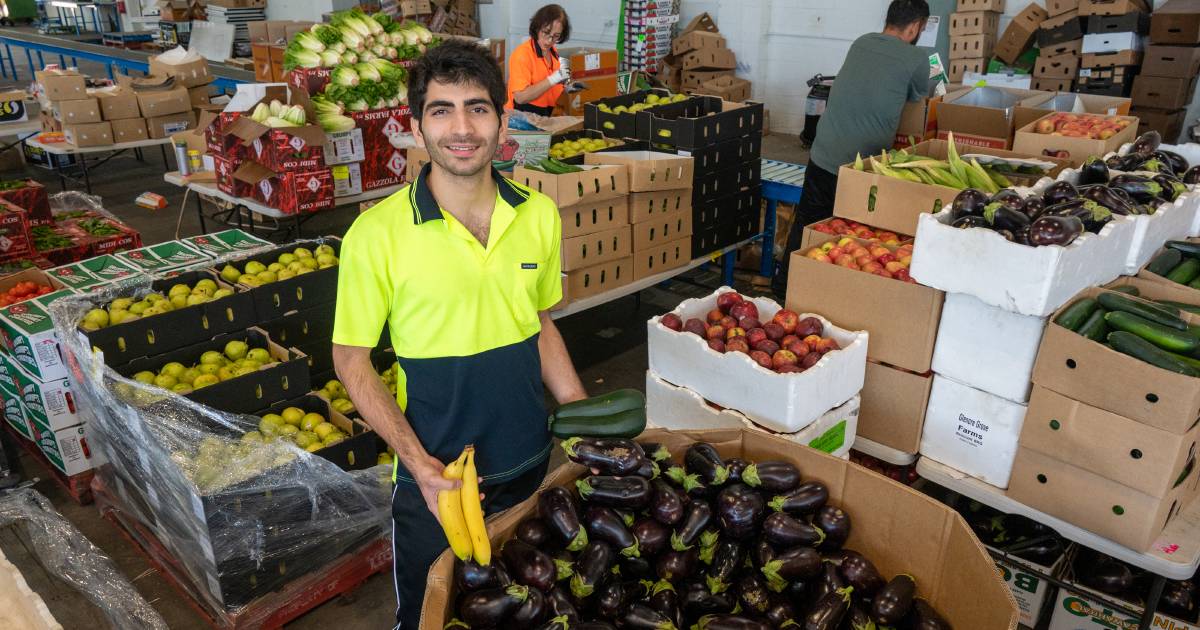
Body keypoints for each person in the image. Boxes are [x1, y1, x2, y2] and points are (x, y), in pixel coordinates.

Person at [330, 39, 588, 629]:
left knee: (524, 609)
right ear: (417, 128)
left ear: (503, 118)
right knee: (432, 617)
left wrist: (579, 415)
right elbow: (351, 360)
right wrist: (418, 464)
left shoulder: (538, 215)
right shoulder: (376, 235)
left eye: (478, 107)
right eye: (441, 110)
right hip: (437, 480)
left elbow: (540, 321)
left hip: (530, 463)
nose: (462, 128)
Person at [773, 0, 931, 297]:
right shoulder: (916, 58)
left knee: (807, 224)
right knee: (851, 235)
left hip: (822, 153)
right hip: (860, 167)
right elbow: (918, 98)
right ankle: (834, 297)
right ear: (915, 27)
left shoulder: (861, 43)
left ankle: (783, 290)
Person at [506, 4, 572, 115]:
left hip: (546, 114)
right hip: (521, 119)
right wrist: (554, 78)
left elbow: (550, 86)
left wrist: (567, 88)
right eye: (546, 32)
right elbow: (520, 97)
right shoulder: (522, 55)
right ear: (537, 28)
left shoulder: (553, 52)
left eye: (556, 36)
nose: (549, 41)